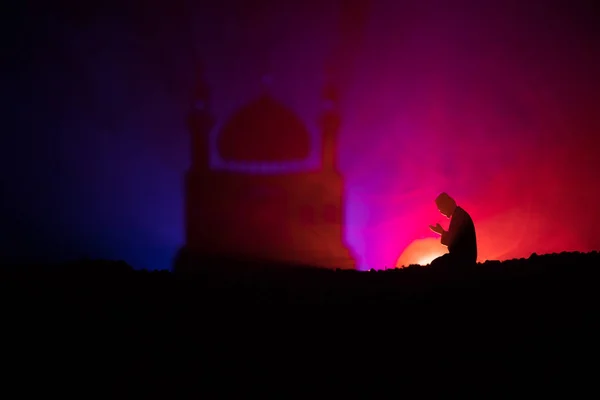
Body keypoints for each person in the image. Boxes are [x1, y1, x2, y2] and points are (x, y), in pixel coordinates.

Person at [429, 192, 477, 269]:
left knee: (435, 265)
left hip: (463, 260)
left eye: (440, 209)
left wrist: (442, 232)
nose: (441, 212)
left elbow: (454, 242)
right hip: (463, 258)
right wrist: (441, 232)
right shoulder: (459, 214)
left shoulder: (459, 216)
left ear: (446, 204)